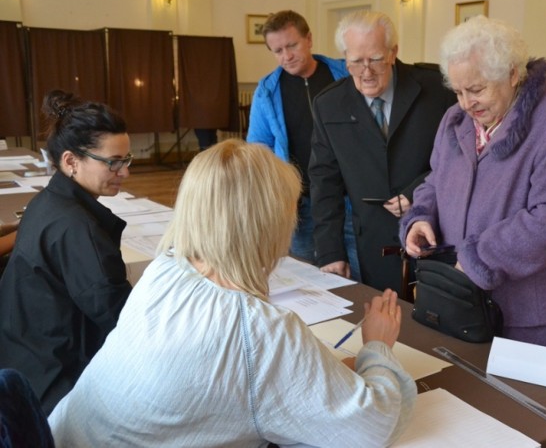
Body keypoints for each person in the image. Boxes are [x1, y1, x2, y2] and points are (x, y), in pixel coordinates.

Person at [48, 140, 416, 447]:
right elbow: (371, 426)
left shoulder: (166, 268)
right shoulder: (260, 331)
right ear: (270, 224)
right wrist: (377, 347)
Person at [400, 16, 546, 352]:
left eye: (476, 89)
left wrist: (478, 258)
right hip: (463, 299)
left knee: (532, 403)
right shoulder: (455, 119)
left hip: (532, 309)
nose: (465, 103)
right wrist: (420, 218)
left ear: (512, 74)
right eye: (458, 91)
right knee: (471, 399)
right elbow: (436, 179)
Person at [0, 90, 133, 414]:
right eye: (113, 163)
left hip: (22, 359)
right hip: (57, 386)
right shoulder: (79, 230)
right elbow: (124, 322)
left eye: (127, 160)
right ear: (71, 161)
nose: (125, 173)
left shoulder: (48, 201)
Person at [309, 10, 456, 293]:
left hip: (435, 233)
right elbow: (324, 183)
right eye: (355, 62)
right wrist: (330, 252)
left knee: (436, 324)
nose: (366, 71)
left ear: (393, 52)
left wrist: (416, 192)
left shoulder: (437, 89)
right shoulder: (329, 104)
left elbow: (457, 158)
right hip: (374, 244)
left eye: (375, 59)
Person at [247, 10, 361, 280]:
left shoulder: (346, 73)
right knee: (308, 279)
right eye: (277, 51)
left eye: (292, 45)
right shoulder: (267, 90)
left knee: (358, 276)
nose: (286, 56)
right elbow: (258, 149)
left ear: (308, 39)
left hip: (350, 200)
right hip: (300, 204)